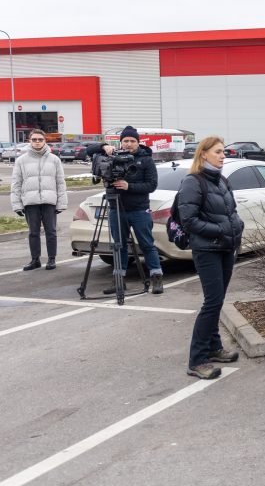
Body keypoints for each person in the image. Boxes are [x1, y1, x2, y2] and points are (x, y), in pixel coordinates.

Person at [178, 136, 244, 380]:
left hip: (226, 247)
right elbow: (189, 220)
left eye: (223, 152)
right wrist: (221, 231)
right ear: (203, 154)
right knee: (212, 303)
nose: (222, 155)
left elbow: (231, 211)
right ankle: (197, 360)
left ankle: (214, 347)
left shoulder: (221, 180)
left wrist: (237, 228)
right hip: (207, 250)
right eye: (217, 152)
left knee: (217, 300)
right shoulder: (192, 182)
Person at [85, 126, 165, 294]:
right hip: (116, 208)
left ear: (138, 142)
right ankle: (118, 280)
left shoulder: (146, 160)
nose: (129, 144)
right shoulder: (112, 156)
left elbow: (152, 185)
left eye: (132, 141)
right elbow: (88, 150)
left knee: (146, 244)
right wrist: (102, 147)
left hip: (139, 209)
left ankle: (156, 278)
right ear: (121, 142)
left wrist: (129, 186)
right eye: (126, 141)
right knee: (118, 245)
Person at [11, 129, 67, 271]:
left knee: (51, 231)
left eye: (40, 139)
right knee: (33, 232)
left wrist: (61, 203)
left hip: (49, 201)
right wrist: (17, 204)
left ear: (44, 141)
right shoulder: (21, 161)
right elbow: (16, 183)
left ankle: (51, 259)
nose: (37, 142)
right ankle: (35, 260)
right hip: (30, 202)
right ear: (29, 141)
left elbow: (60, 183)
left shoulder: (54, 160)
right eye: (34, 139)